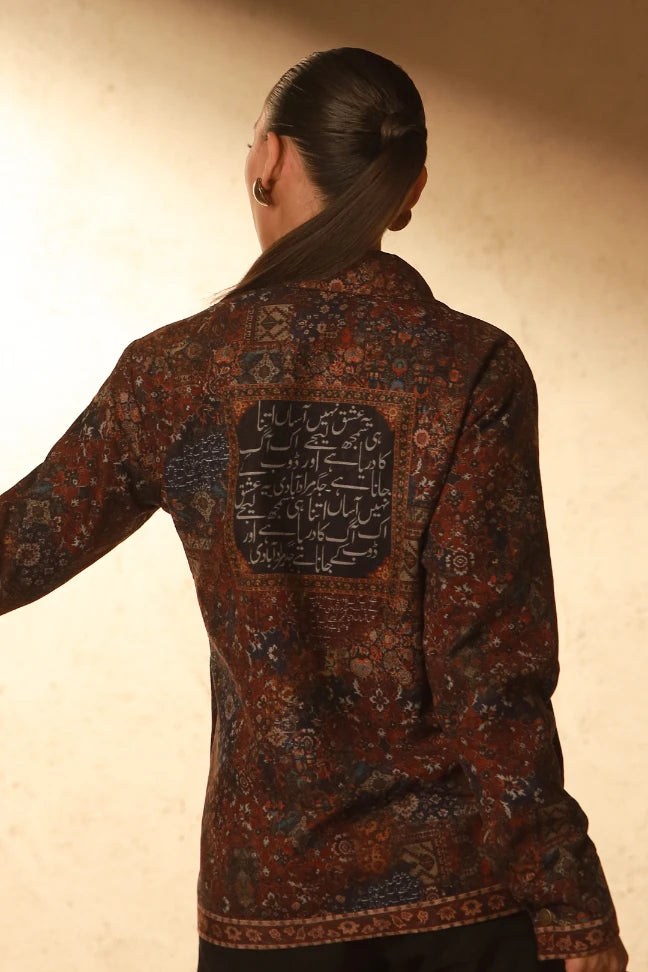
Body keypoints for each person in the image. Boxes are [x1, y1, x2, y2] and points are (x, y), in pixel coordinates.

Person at [0, 47, 629, 972]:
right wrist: (571, 903)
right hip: (461, 911)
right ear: (408, 191)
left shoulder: (174, 374)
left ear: (269, 160)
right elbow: (493, 672)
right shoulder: (470, 370)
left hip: (265, 916)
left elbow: (15, 549)